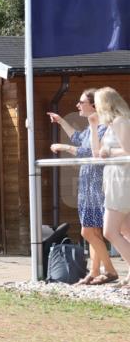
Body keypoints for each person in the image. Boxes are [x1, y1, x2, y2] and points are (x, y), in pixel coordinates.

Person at [48, 89, 118, 284]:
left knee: (88, 232)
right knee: (93, 232)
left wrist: (63, 148)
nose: (78, 105)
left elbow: (88, 151)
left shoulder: (103, 127)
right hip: (87, 182)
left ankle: (110, 270)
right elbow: (79, 139)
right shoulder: (91, 127)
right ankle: (95, 272)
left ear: (93, 105)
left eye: (81, 102)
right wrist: (61, 121)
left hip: (97, 184)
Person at [91, 87, 130, 288]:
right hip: (114, 179)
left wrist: (108, 151)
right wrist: (93, 127)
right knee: (125, 229)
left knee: (110, 231)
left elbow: (127, 151)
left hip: (122, 179)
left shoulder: (121, 121)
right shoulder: (111, 125)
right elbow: (96, 152)